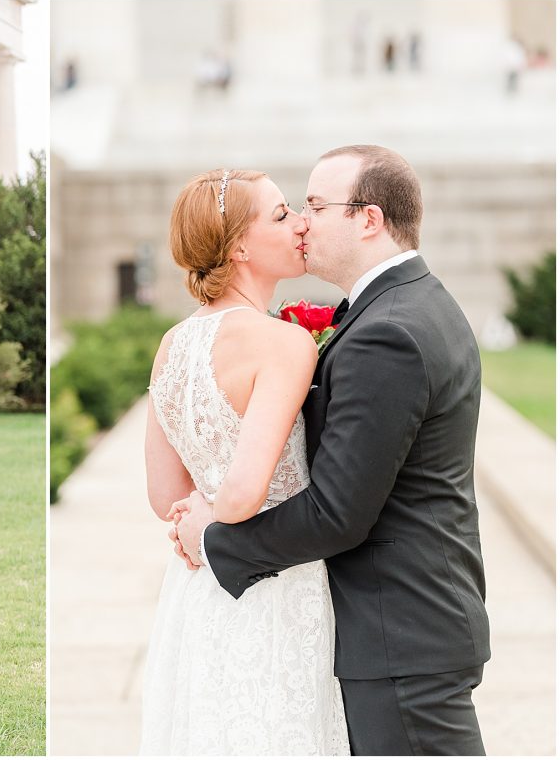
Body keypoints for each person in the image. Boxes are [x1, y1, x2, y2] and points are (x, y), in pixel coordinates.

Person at [173, 145, 490, 755]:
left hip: (402, 631)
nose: (304, 222)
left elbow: (337, 513)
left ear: (368, 219)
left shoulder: (388, 332)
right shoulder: (402, 306)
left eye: (316, 205)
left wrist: (213, 541)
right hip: (405, 626)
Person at [141, 168, 349, 754]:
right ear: (238, 246)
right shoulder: (281, 343)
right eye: (281, 215)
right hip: (277, 583)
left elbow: (164, 495)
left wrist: (192, 519)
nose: (301, 223)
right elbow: (240, 496)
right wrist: (215, 511)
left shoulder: (173, 343)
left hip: (199, 588)